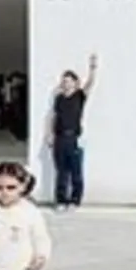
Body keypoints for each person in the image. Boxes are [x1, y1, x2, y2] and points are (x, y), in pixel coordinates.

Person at [45, 55, 96, 209]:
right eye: (63, 81)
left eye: (68, 81)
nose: (65, 83)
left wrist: (92, 69)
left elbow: (90, 84)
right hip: (59, 138)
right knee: (61, 172)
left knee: (76, 172)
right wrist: (49, 134)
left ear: (75, 82)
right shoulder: (59, 98)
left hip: (73, 137)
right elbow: (53, 116)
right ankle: (61, 200)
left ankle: (75, 200)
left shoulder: (79, 96)